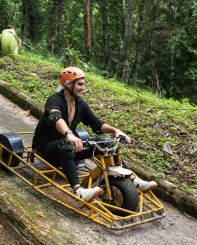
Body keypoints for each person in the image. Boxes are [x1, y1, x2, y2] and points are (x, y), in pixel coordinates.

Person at [32, 67, 157, 202]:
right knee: (65, 143)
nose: (83, 88)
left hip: (71, 147)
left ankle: (133, 180)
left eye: (83, 84)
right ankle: (78, 190)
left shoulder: (80, 104)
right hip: (47, 149)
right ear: (68, 84)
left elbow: (97, 124)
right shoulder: (54, 99)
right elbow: (55, 117)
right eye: (80, 84)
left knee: (105, 142)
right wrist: (69, 134)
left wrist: (116, 131)